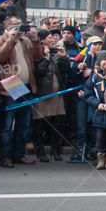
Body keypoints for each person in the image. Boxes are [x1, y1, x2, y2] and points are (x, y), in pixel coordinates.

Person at [0, 15, 45, 167]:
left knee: (23, 123)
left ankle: (19, 154)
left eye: (20, 25)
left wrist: (35, 39)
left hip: (27, 84)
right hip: (11, 84)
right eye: (14, 25)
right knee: (7, 124)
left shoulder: (26, 41)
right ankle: (5, 157)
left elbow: (38, 56)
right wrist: (10, 40)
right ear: (6, 26)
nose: (18, 28)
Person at [32, 29, 68, 162]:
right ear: (42, 40)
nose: (52, 39)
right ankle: (40, 150)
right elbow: (38, 72)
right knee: (40, 124)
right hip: (43, 93)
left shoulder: (55, 52)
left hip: (56, 93)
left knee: (57, 123)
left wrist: (63, 57)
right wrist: (46, 58)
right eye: (49, 37)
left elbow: (65, 69)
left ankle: (56, 149)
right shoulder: (36, 53)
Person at [83, 51, 106, 169]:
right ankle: (101, 159)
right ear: (99, 62)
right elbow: (88, 94)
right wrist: (97, 104)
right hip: (99, 113)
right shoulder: (95, 77)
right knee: (100, 137)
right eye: (104, 59)